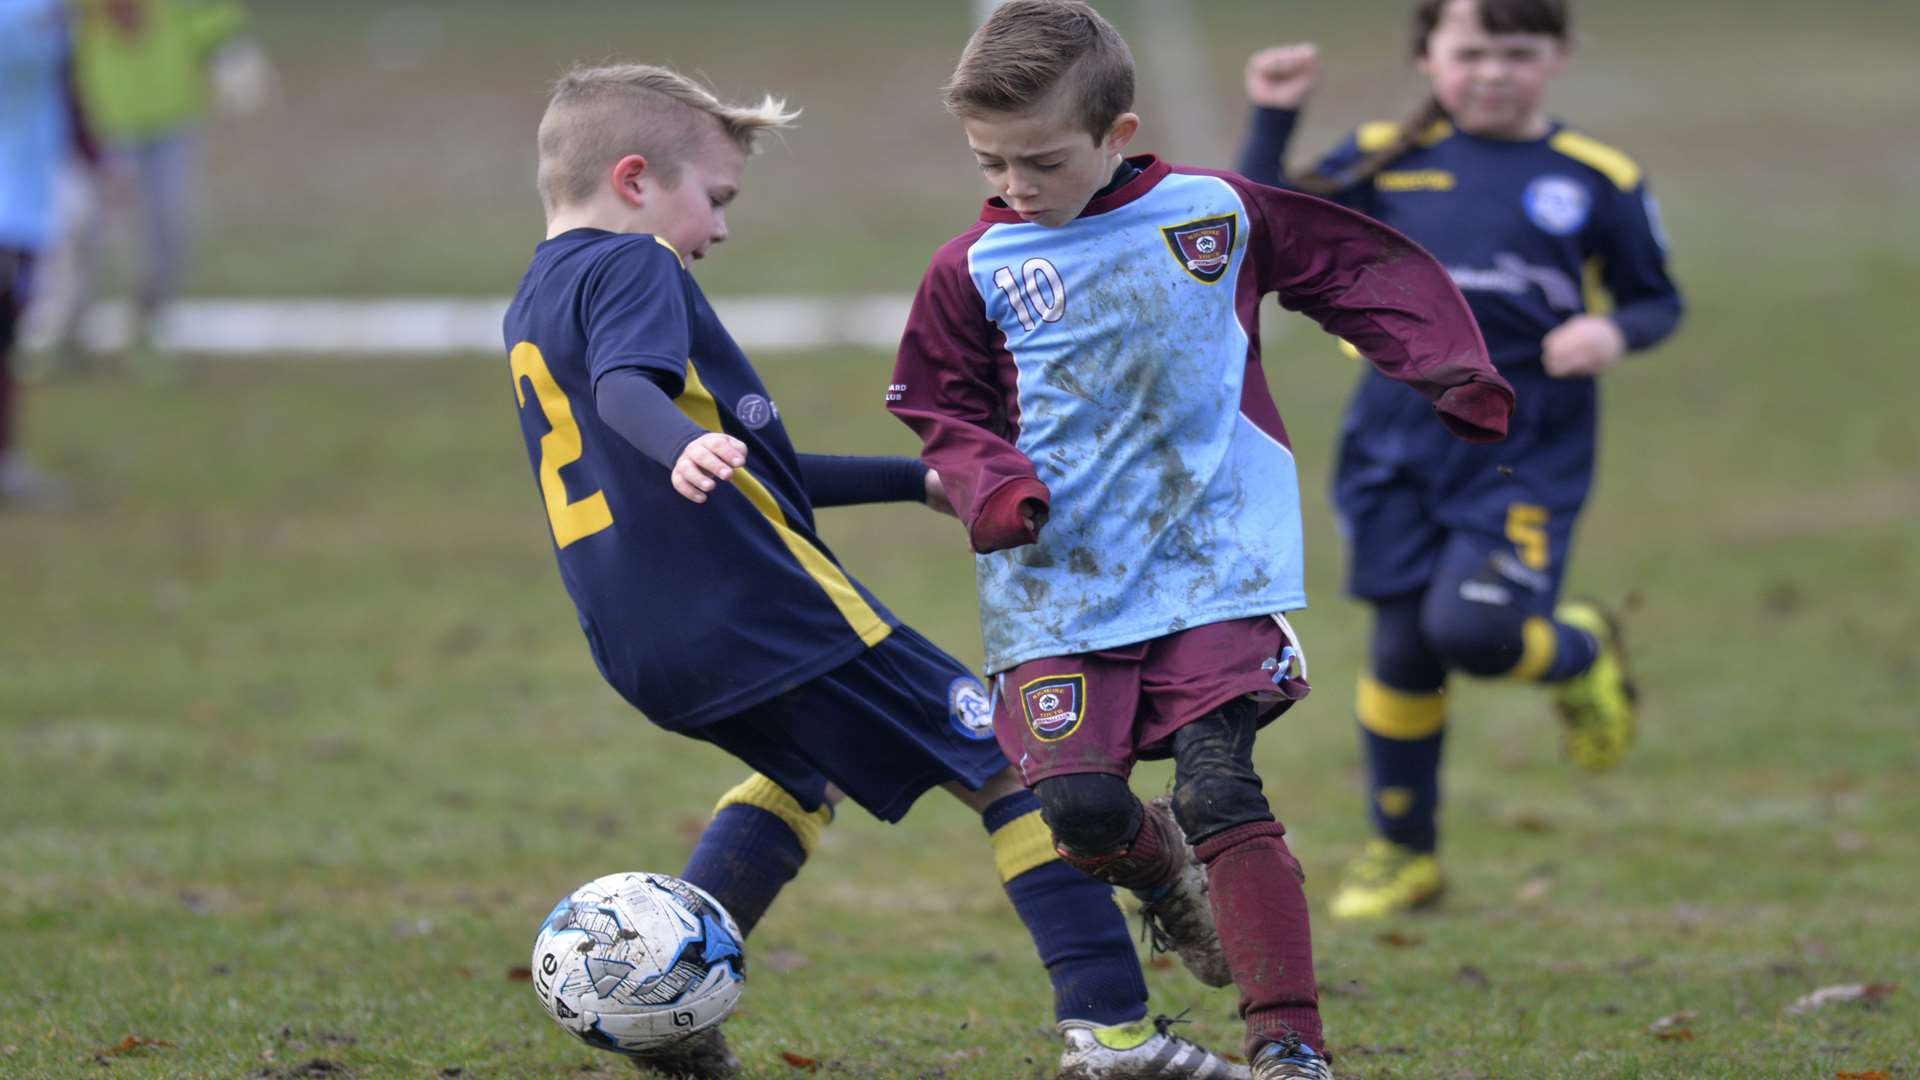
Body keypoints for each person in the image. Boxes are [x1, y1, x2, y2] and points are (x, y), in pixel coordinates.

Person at [504, 62, 1246, 1080]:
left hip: (641, 640)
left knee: (799, 778)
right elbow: (634, 392)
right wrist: (674, 439)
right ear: (634, 180)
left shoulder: (537, 297)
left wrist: (914, 481)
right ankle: (1115, 1037)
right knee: (1014, 764)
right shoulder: (637, 268)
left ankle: (664, 1015)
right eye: (713, 200)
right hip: (766, 612)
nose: (717, 230)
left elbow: (747, 463)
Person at [888, 3, 1514, 1076]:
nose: (1014, 187)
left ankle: (1289, 1045)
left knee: (1224, 786)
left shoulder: (1211, 217)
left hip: (1213, 562)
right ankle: (1164, 875)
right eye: (990, 163)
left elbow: (1355, 267)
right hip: (1059, 586)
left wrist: (1447, 366)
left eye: (1040, 162)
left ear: (1118, 134)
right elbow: (942, 406)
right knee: (1081, 812)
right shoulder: (973, 267)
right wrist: (993, 483)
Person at [1236, 0, 1682, 920]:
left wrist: (1609, 329)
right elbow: (1249, 222)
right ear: (1430, 56)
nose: (1491, 72)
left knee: (1472, 634)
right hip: (1395, 437)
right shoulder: (1381, 154)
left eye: (1516, 53)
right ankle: (1404, 853)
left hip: (1526, 441)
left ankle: (1582, 650)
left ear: (1555, 57)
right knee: (1402, 642)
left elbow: (1654, 300)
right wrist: (1273, 114)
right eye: (1470, 52)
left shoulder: (1594, 176)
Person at [49, 0, 260, 368]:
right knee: (86, 225)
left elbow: (207, 13)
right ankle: (71, 327)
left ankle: (152, 324)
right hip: (102, 108)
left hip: (170, 108)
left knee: (167, 223)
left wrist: (227, 48)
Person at [1, 0, 94, 508]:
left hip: (27, 199)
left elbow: (66, 81)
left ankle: (7, 463)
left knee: (8, 337)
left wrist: (91, 152)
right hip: (9, 200)